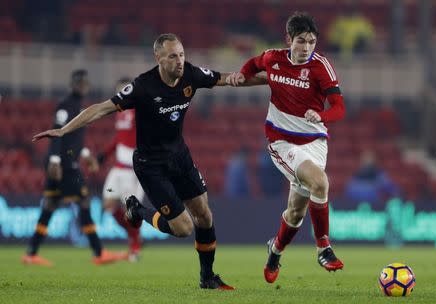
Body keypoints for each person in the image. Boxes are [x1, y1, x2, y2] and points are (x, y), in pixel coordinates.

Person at [32, 33, 265, 289]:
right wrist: (64, 130)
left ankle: (207, 277)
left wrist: (272, 81)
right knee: (183, 229)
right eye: (173, 56)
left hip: (180, 157)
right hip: (151, 165)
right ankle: (138, 210)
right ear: (159, 58)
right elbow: (100, 108)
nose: (180, 61)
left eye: (182, 54)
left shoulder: (190, 74)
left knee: (205, 216)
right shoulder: (143, 86)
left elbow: (228, 78)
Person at [228, 12, 346, 283]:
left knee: (295, 212)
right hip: (282, 142)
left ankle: (275, 249)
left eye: (312, 42)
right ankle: (323, 248)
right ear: (289, 39)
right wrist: (242, 74)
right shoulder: (274, 58)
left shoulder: (321, 66)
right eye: (301, 41)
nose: (306, 48)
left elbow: (340, 108)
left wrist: (322, 116)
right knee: (320, 183)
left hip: (315, 142)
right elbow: (254, 63)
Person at [22, 70, 127, 266]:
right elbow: (57, 131)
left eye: (85, 82)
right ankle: (99, 252)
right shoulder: (65, 105)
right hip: (64, 165)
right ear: (74, 84)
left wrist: (86, 154)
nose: (83, 86)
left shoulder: (79, 107)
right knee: (84, 203)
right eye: (80, 83)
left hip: (66, 162)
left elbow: (74, 138)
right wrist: (54, 160)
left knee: (50, 206)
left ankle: (31, 252)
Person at [97, 77, 146, 262]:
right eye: (118, 91)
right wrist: (104, 154)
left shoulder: (140, 110)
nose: (121, 95)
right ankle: (135, 238)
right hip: (118, 168)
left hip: (134, 170)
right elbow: (120, 137)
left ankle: (134, 248)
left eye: (124, 90)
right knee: (108, 206)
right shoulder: (120, 112)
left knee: (130, 211)